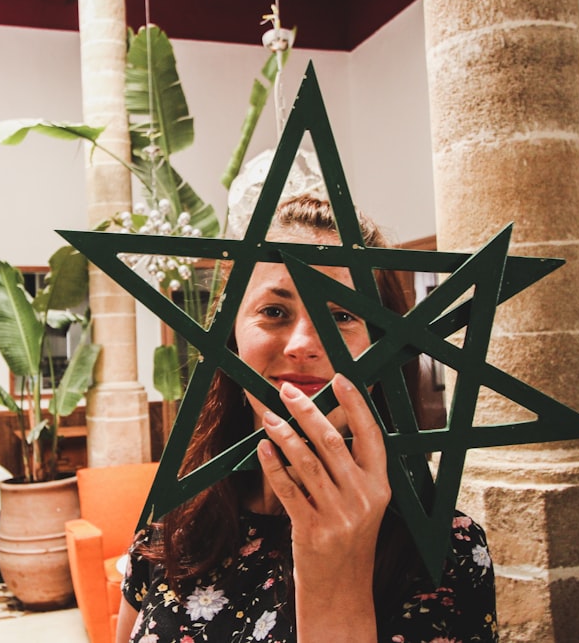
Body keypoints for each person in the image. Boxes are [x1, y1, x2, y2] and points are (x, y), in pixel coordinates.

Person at [116, 194, 498, 642]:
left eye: (340, 315)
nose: (302, 344)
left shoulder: (447, 551)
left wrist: (337, 575)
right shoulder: (175, 522)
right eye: (274, 311)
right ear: (231, 336)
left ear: (387, 347)